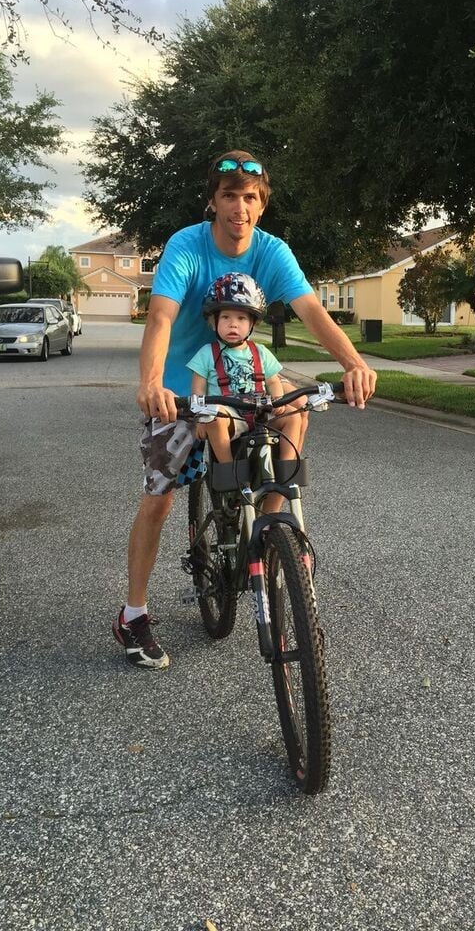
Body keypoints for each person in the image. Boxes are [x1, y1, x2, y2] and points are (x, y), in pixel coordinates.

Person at [113, 148, 376, 670]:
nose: (240, 207)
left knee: (292, 417)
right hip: (182, 389)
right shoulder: (187, 246)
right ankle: (133, 613)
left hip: (251, 386)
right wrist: (149, 383)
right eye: (229, 196)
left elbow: (312, 311)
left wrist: (354, 363)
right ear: (213, 201)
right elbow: (161, 318)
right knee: (161, 494)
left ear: (261, 205)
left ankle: (272, 538)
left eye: (250, 197)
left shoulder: (273, 252)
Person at [187, 272, 305, 493]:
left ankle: (287, 473)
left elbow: (273, 381)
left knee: (294, 416)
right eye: (226, 318)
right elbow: (198, 391)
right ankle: (232, 474)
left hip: (261, 412)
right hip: (230, 415)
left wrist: (278, 403)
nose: (233, 325)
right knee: (214, 416)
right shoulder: (206, 353)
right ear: (214, 322)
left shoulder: (260, 352)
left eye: (241, 319)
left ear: (252, 323)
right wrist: (200, 418)